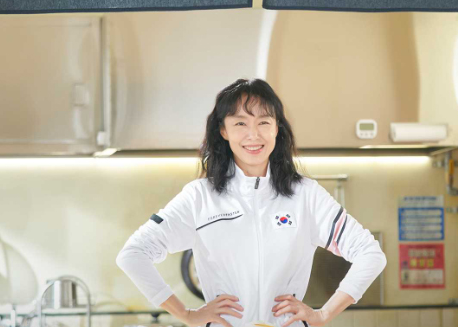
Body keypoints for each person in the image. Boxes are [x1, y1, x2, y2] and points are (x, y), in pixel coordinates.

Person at [116, 78, 386, 327]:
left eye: (264, 122)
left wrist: (323, 314)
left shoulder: (306, 195)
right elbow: (133, 255)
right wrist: (187, 314)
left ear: (277, 128)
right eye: (240, 124)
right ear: (223, 130)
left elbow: (370, 254)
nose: (253, 135)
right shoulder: (199, 197)